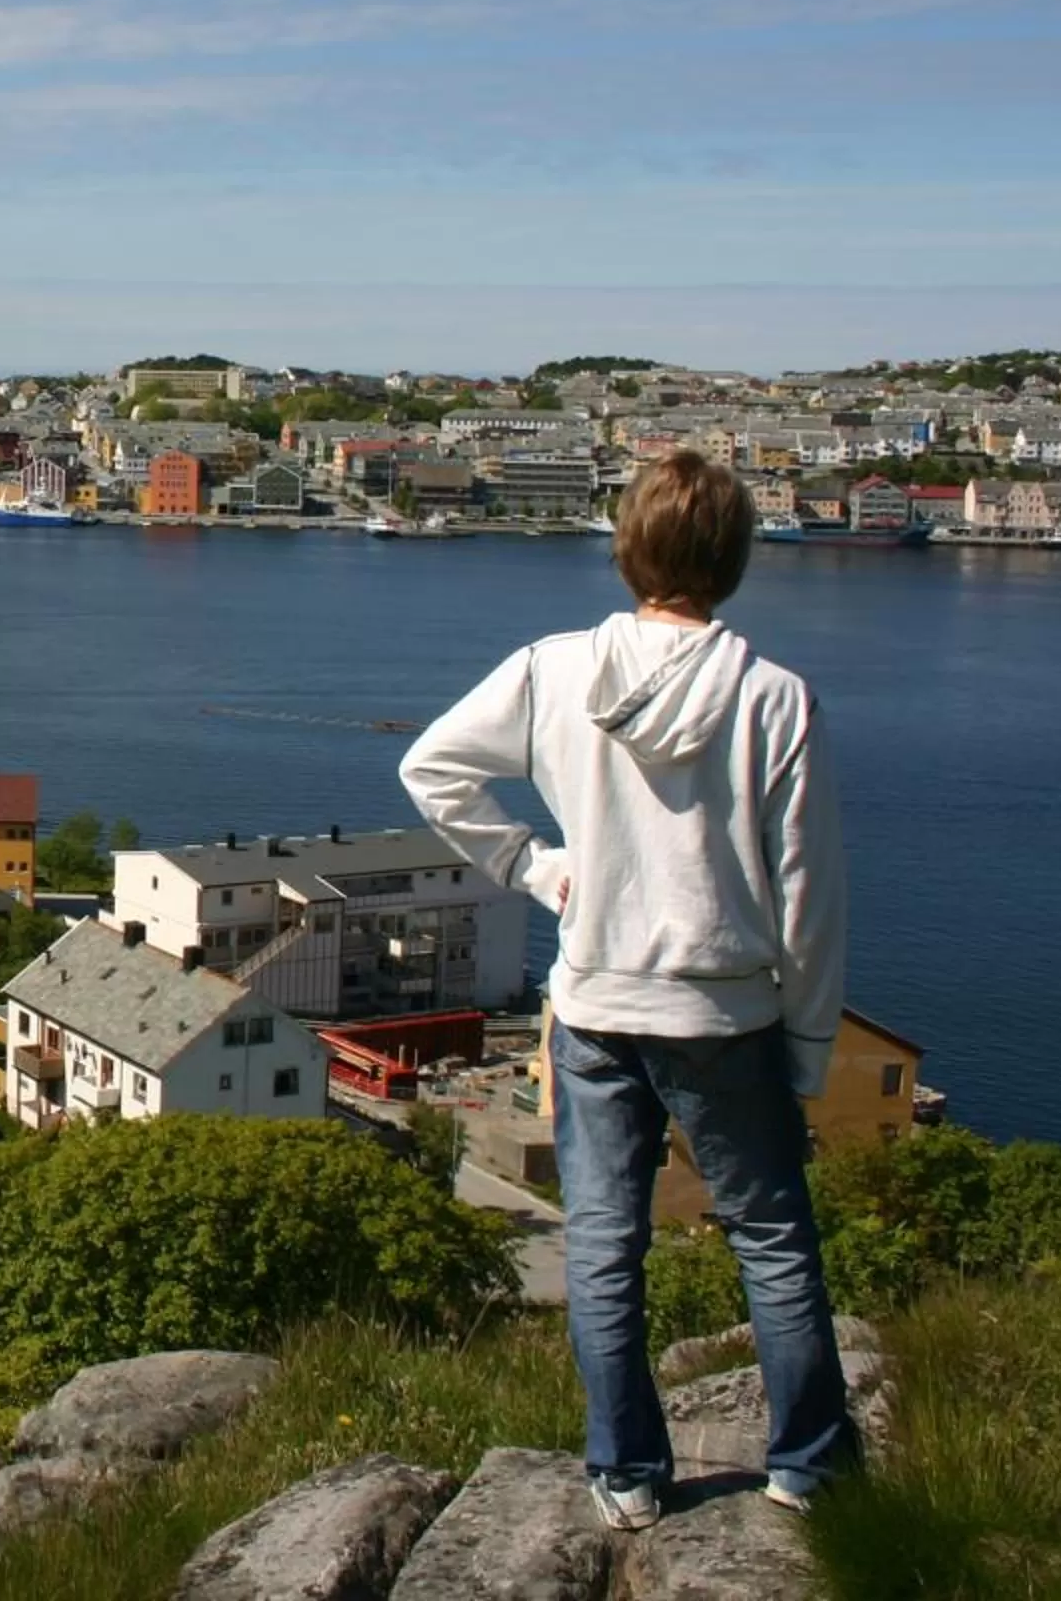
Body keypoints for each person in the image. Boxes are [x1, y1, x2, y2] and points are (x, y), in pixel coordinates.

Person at [398, 449, 851, 1530]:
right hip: (725, 1011)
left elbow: (432, 768)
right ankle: (809, 1465)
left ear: (626, 549)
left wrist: (538, 867)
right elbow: (810, 898)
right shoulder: (774, 698)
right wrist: (811, 1048)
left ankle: (629, 1471)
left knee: (603, 1246)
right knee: (773, 1239)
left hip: (598, 1003)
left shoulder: (556, 670)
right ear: (736, 559)